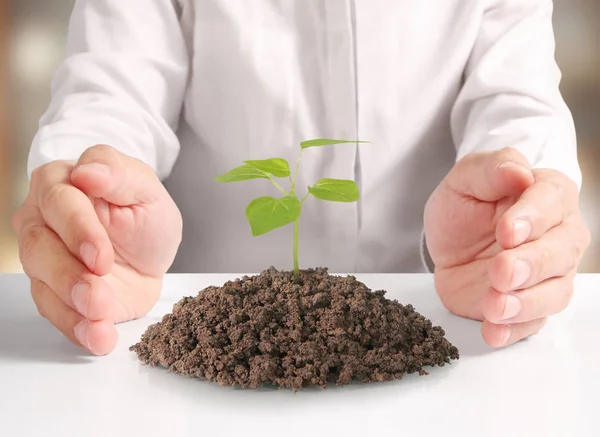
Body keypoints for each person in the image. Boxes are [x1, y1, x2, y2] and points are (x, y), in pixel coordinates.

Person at [11, 0, 590, 356]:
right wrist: (92, 185)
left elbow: (517, 97)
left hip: (431, 316)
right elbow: (112, 88)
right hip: (205, 327)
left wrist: (521, 203)